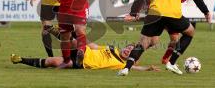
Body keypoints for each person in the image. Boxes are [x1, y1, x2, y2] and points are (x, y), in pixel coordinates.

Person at [10, 40, 160, 71]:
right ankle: (56, 31)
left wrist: (148, 69)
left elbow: (136, 68)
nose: (127, 50)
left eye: (130, 51)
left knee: (55, 62)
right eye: (127, 47)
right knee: (74, 42)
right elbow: (93, 46)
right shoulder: (111, 48)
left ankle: (20, 59)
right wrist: (83, 40)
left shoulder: (122, 64)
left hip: (82, 63)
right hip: (83, 51)